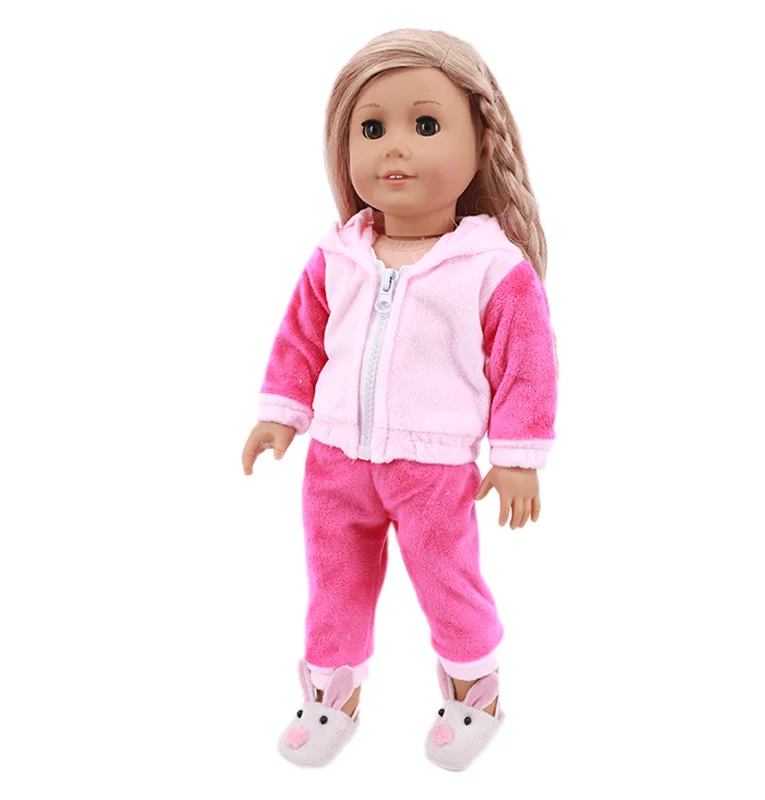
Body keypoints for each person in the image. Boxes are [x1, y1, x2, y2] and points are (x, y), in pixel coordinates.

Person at [241, 27, 559, 770]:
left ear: (482, 143)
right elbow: (301, 339)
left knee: (448, 584)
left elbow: (527, 366)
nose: (396, 149)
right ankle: (331, 695)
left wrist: (518, 455)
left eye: (425, 125)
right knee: (334, 584)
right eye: (372, 128)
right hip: (335, 461)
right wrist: (281, 412)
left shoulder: (491, 267)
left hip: (433, 468)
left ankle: (475, 690)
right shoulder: (339, 254)